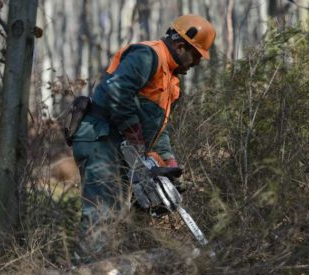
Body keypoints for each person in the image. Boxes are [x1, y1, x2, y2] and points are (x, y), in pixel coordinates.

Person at [71, 14, 216, 260]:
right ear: (182, 47)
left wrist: (167, 160)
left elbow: (159, 128)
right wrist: (133, 131)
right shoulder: (148, 56)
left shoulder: (171, 81)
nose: (197, 63)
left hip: (122, 145)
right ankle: (83, 273)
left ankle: (105, 268)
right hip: (101, 138)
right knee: (102, 210)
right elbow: (118, 90)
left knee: (125, 211)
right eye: (196, 56)